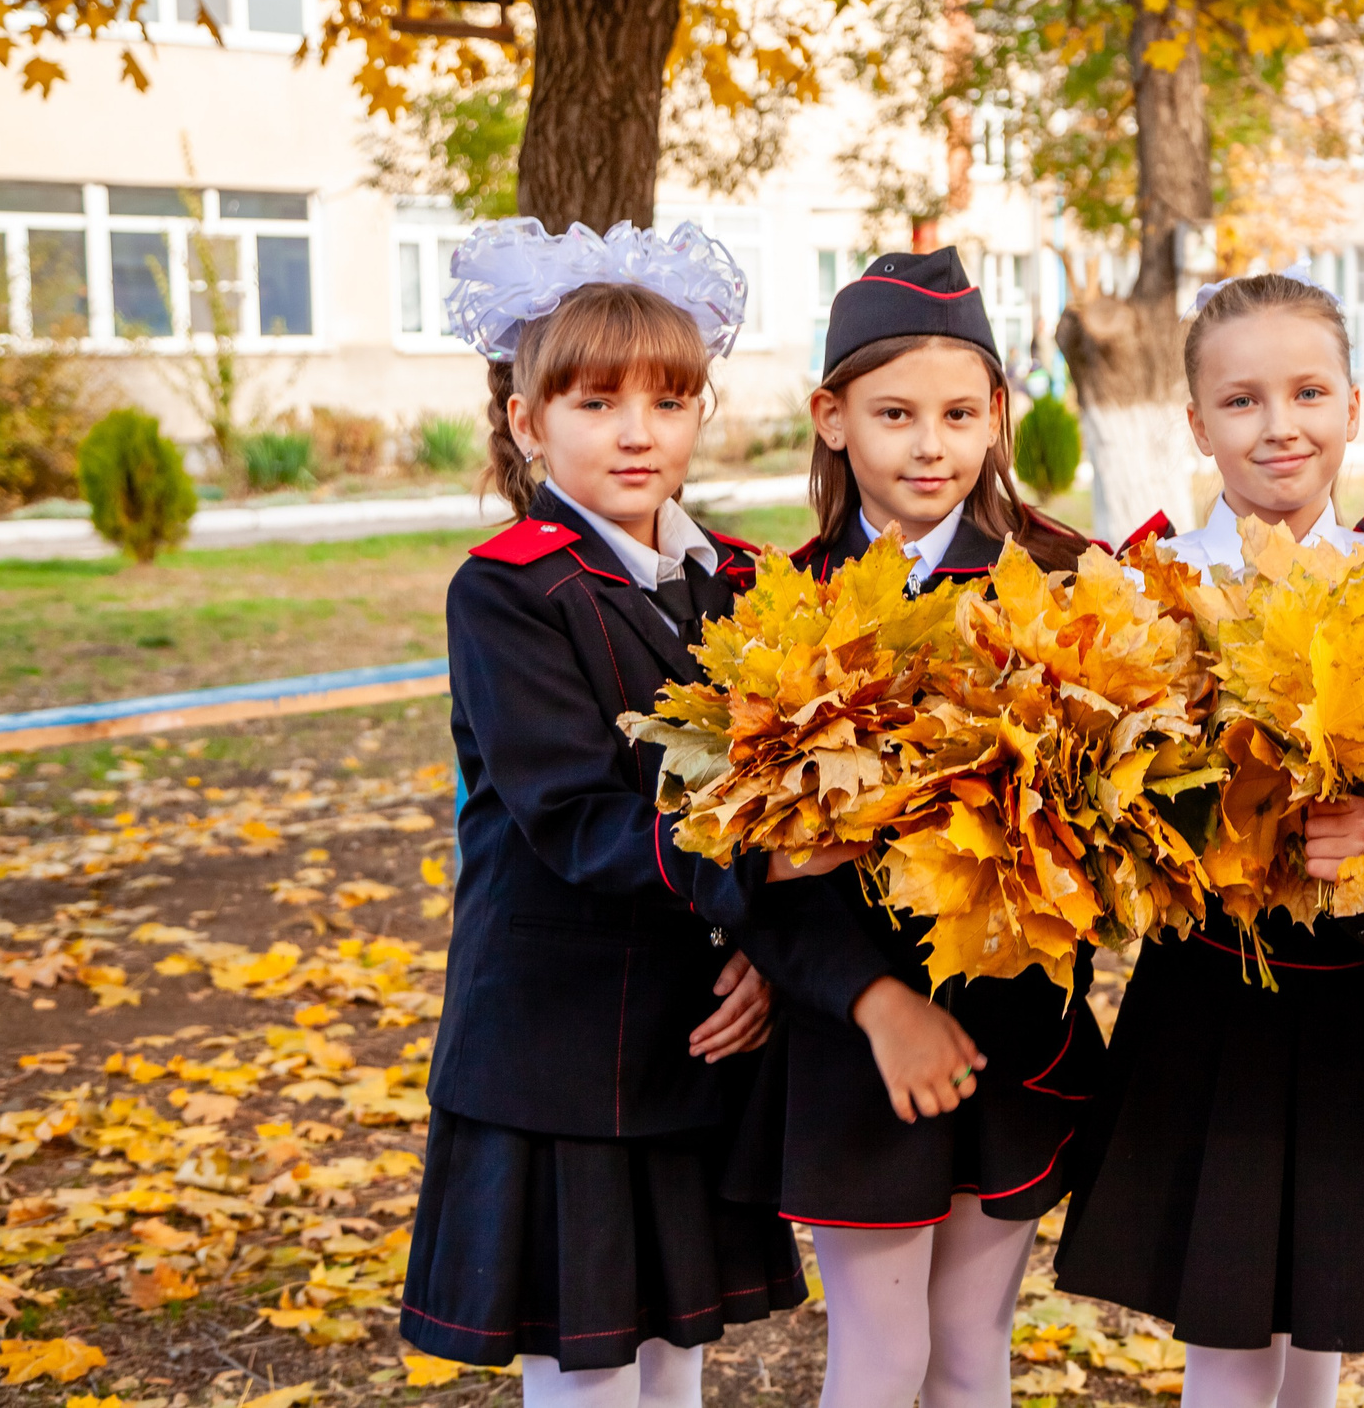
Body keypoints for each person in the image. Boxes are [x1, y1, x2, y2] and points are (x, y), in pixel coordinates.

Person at [1054, 267, 1364, 1408]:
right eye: (1241, 401)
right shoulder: (1140, 588)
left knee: (1319, 1341)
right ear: (1195, 423)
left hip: (1363, 1018)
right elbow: (1087, 812)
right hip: (1208, 1010)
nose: (1277, 426)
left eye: (1306, 393)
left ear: (1352, 405)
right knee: (1229, 1340)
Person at [402, 223, 806, 1408]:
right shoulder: (509, 590)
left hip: (694, 1028)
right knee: (586, 1374)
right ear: (530, 423)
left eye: (669, 401)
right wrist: (763, 874)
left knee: (676, 1355)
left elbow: (785, 772)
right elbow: (573, 816)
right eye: (595, 401)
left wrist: (767, 960)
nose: (637, 431)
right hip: (558, 1045)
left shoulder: (741, 581)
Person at [721, 246, 1104, 1408]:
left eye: (956, 413)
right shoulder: (780, 604)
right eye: (894, 414)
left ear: (996, 417)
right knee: (880, 1362)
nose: (928, 444)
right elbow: (757, 860)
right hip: (854, 1045)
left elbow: (1109, 823)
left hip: (1013, 1024)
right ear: (832, 419)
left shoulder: (1068, 587)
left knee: (972, 1350)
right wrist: (870, 1004)